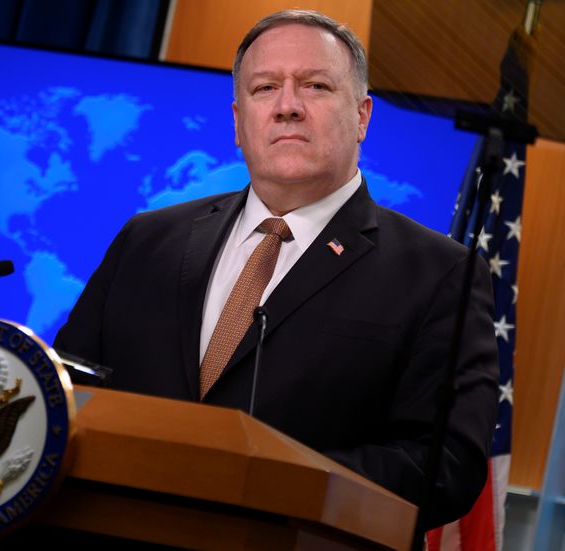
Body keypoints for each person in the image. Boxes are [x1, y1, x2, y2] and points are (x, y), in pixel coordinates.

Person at [54, 9, 498, 529]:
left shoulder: (440, 274)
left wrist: (263, 477)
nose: (287, 107)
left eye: (314, 85)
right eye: (265, 88)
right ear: (239, 122)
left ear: (362, 116)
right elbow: (66, 395)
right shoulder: (147, 240)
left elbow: (445, 467)